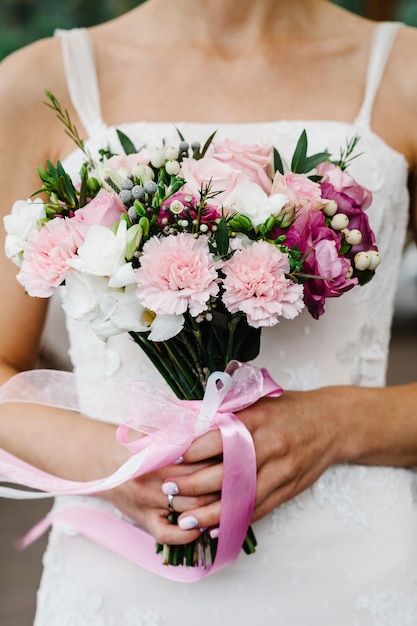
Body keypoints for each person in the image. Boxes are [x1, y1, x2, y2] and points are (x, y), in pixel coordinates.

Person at [0, 0, 417, 623]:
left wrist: (339, 422)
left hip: (353, 573)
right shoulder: (37, 82)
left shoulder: (405, 71)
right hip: (122, 582)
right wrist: (113, 464)